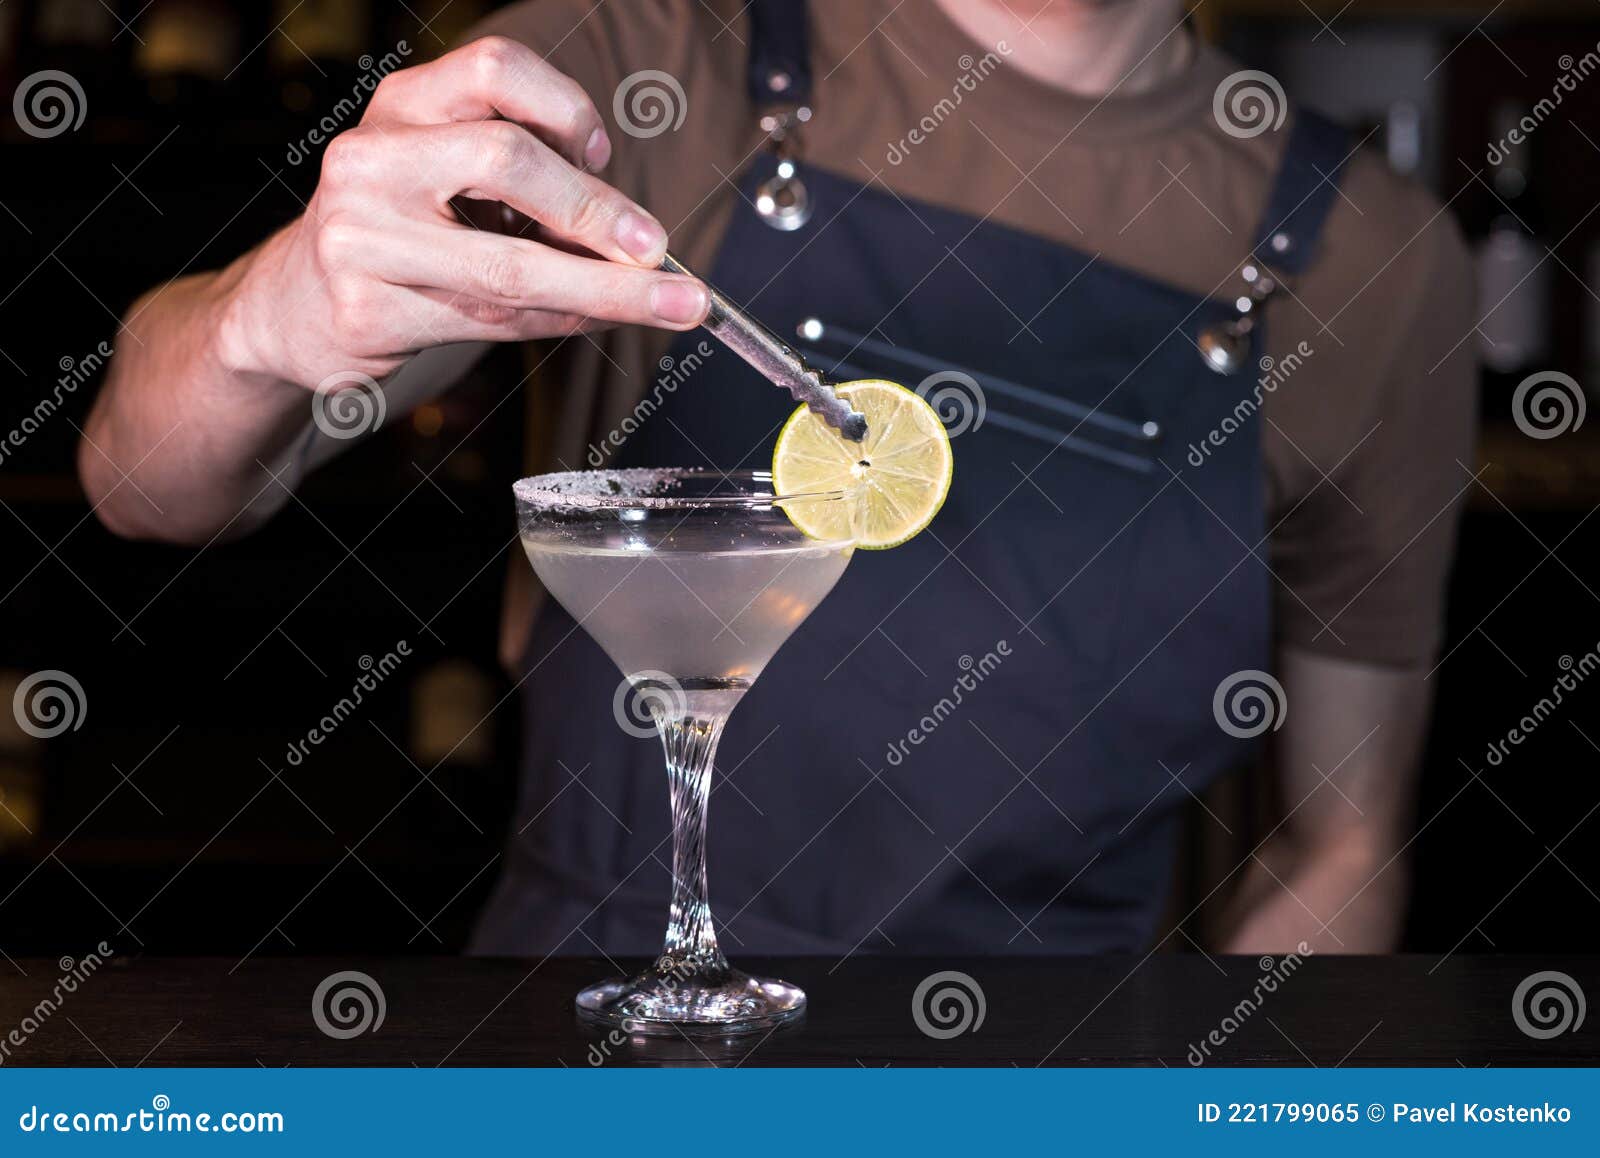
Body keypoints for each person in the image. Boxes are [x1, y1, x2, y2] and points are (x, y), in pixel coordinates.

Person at [80, 0, 1476, 957]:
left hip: (1049, 1078)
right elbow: (143, 483)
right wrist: (265, 322)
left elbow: (1343, 848)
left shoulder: (1380, 265)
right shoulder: (639, 62)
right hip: (584, 1048)